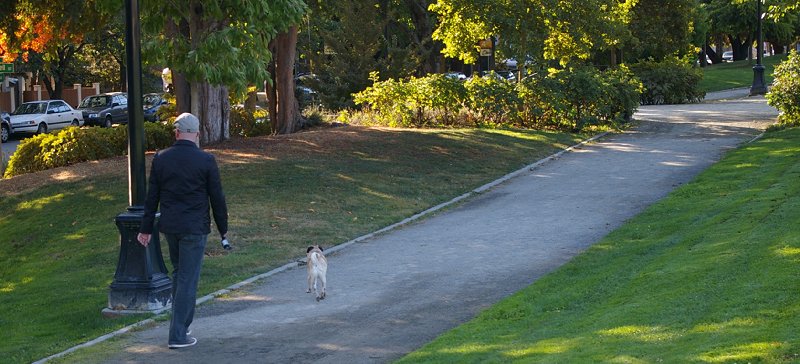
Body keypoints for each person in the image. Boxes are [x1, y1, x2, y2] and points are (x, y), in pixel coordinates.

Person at [137, 112, 228, 349]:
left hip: (171, 227)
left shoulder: (161, 158)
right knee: (188, 278)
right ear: (197, 134)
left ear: (176, 133)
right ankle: (178, 334)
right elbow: (217, 198)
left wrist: (146, 228)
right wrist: (223, 229)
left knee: (180, 274)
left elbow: (152, 197)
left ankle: (182, 326)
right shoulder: (205, 160)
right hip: (195, 227)